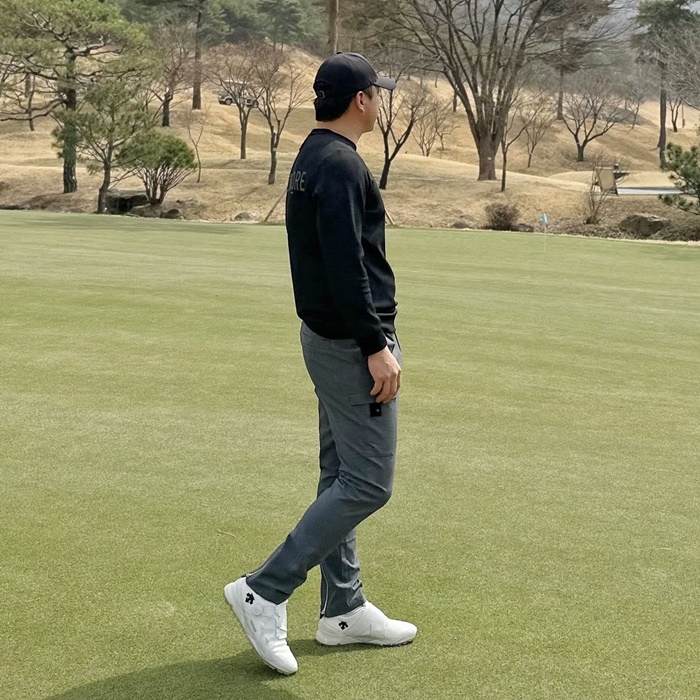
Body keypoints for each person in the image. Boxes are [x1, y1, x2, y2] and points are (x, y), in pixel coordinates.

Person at [224, 52, 416, 675]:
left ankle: (343, 608)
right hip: (350, 345)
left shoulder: (315, 155)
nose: (380, 102)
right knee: (369, 483)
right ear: (361, 100)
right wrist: (375, 346)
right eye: (377, 93)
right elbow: (345, 265)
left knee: (340, 475)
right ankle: (265, 589)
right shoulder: (338, 163)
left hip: (329, 338)